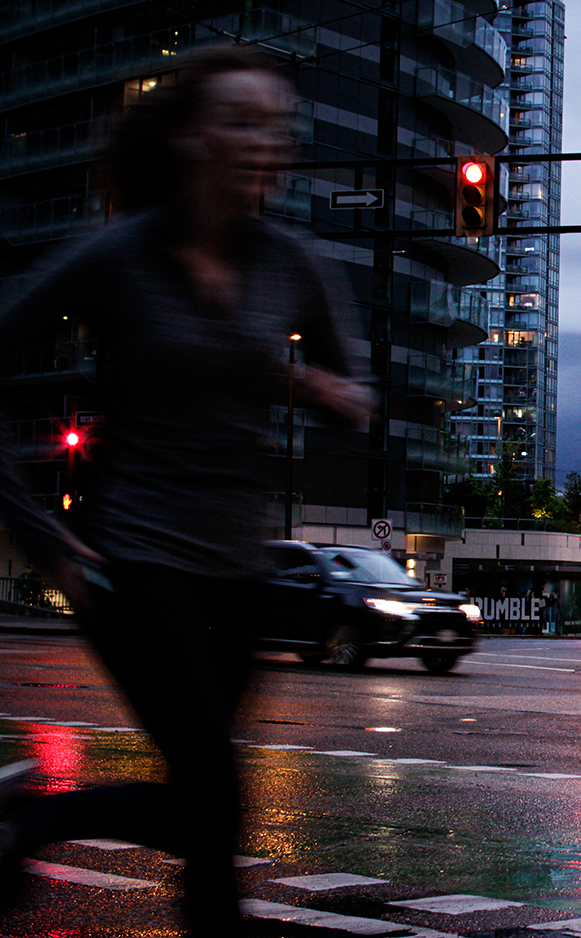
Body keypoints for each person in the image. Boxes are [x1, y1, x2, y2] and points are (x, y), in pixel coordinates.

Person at [0, 47, 369, 936]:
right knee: (216, 789)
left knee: (206, 803)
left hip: (238, 567)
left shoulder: (293, 262)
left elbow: (354, 394)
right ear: (193, 136)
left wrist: (326, 391)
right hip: (132, 558)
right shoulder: (118, 255)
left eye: (276, 127)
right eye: (243, 122)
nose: (263, 143)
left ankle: (39, 821)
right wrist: (46, 537)